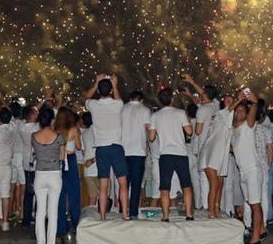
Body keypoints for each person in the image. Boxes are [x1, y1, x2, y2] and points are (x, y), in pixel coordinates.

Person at [83, 75, 129, 220]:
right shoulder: (118, 104)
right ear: (110, 91)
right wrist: (115, 85)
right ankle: (125, 215)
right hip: (116, 146)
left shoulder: (93, 105)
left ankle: (102, 216)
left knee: (103, 185)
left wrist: (96, 83)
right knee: (123, 183)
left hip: (101, 148)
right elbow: (118, 99)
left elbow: (85, 98)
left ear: (98, 91)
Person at [148, 88, 194, 222]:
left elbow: (151, 137)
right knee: (186, 185)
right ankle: (189, 214)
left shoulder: (155, 116)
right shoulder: (180, 113)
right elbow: (189, 132)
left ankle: (166, 216)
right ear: (172, 99)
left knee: (165, 187)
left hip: (165, 155)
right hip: (180, 154)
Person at [231, 91, 266, 244]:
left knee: (255, 204)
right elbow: (235, 149)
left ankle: (256, 237)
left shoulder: (248, 126)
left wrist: (254, 101)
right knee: (252, 203)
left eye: (242, 111)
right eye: (237, 110)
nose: (239, 112)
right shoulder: (233, 131)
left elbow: (253, 111)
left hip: (252, 169)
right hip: (243, 171)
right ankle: (262, 230)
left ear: (246, 115)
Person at [198, 93, 238, 218]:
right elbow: (229, 109)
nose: (230, 103)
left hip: (220, 156)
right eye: (228, 101)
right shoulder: (221, 115)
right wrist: (239, 99)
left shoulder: (231, 122)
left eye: (231, 101)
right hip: (210, 154)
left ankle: (216, 209)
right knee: (214, 183)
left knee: (220, 183)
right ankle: (211, 212)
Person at [32, 108, 66, 244]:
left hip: (39, 175)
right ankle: (51, 241)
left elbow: (35, 153)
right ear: (52, 120)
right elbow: (62, 157)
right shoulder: (59, 136)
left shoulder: (33, 136)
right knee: (53, 212)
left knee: (40, 212)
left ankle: (41, 241)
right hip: (54, 175)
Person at [187, 76, 219, 211]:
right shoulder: (216, 106)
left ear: (204, 95)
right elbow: (204, 96)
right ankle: (214, 205)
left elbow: (198, 131)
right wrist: (192, 84)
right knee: (214, 177)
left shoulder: (201, 110)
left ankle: (206, 205)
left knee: (203, 177)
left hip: (203, 146)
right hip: (215, 145)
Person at [121, 90, 151, 219]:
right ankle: (133, 212)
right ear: (142, 100)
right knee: (136, 184)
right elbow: (149, 129)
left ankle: (123, 211)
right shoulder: (145, 110)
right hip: (138, 151)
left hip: (123, 151)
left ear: (130, 98)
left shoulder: (122, 108)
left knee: (123, 183)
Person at [245, 107, 273, 233]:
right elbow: (270, 150)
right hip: (263, 165)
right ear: (261, 115)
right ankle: (264, 223)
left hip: (249, 165)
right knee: (263, 196)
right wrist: (269, 164)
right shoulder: (267, 130)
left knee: (248, 196)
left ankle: (248, 223)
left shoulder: (246, 129)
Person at [55, 107, 82, 236]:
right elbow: (79, 146)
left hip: (58, 161)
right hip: (70, 160)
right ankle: (75, 224)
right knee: (74, 195)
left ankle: (61, 227)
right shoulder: (73, 130)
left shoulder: (55, 130)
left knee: (60, 195)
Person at [19, 105, 40, 229]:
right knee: (38, 191)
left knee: (28, 192)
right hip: (36, 162)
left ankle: (26, 219)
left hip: (26, 161)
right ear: (32, 115)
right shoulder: (37, 127)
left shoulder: (22, 126)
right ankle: (37, 216)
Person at [9, 102, 25, 222]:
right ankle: (22, 212)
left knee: (12, 186)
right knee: (23, 185)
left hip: (11, 156)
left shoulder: (9, 124)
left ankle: (10, 211)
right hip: (21, 157)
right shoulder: (22, 124)